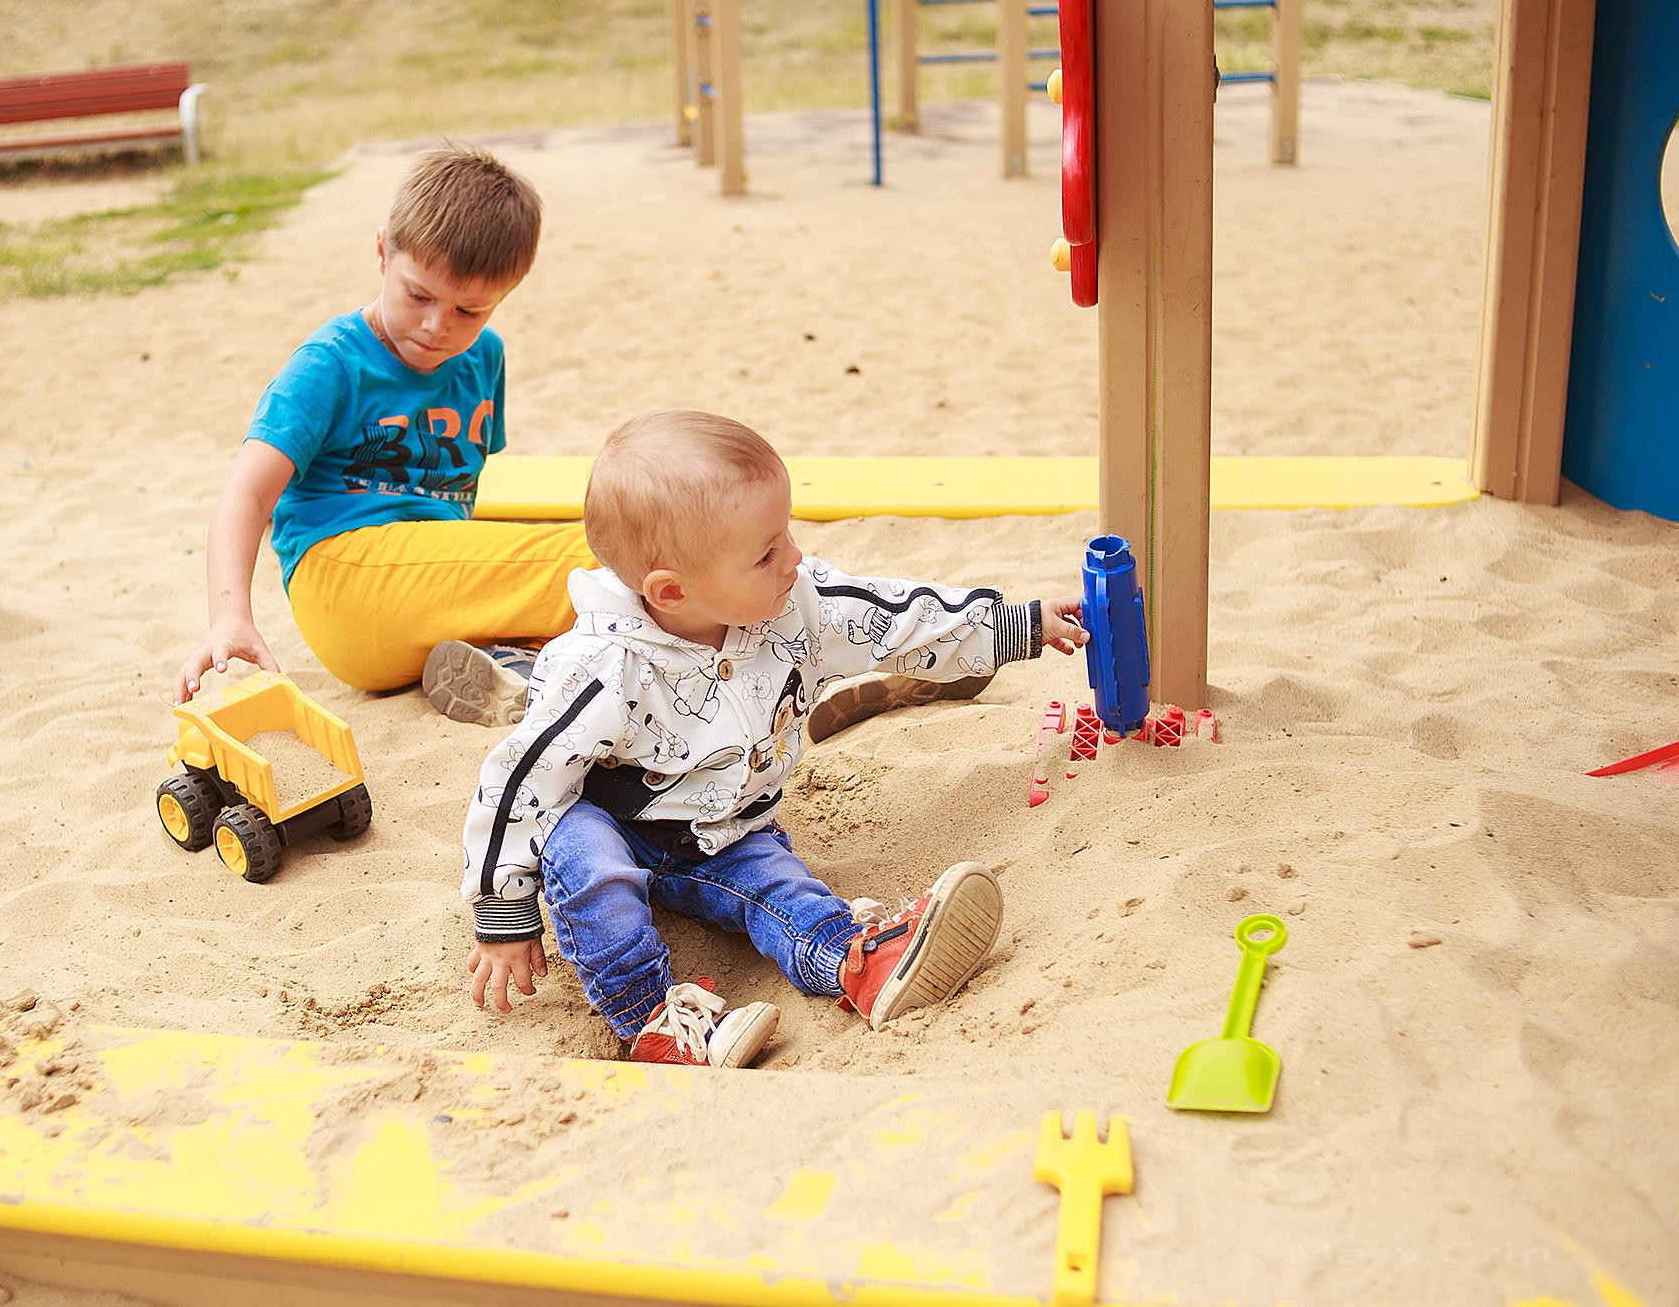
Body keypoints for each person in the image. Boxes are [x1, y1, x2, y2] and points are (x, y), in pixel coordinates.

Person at [459, 410, 1090, 1068]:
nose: (792, 558)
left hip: (729, 830)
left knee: (785, 890)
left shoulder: (797, 605)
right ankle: (655, 1019)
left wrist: (1014, 625)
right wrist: (503, 910)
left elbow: (891, 618)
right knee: (592, 864)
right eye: (764, 553)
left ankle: (859, 963)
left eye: (784, 534)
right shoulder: (599, 667)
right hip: (610, 822)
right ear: (672, 591)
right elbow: (522, 780)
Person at [169, 143, 595, 724]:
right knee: (596, 553)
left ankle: (513, 666)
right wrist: (229, 615)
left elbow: (463, 492)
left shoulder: (484, 358)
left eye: (469, 311)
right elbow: (246, 492)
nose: (436, 326)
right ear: (380, 252)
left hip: (423, 587)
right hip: (346, 578)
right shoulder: (330, 364)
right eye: (418, 294)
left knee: (570, 557)